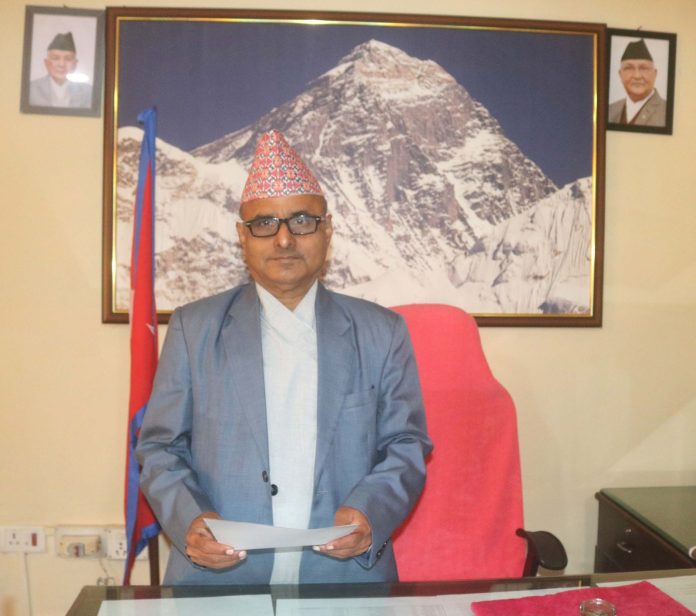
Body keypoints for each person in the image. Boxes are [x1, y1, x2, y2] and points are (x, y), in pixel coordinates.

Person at [136, 129, 432, 585]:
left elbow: (406, 444)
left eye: (302, 221)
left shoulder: (381, 332)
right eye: (264, 224)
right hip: (221, 578)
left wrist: (370, 512)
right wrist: (192, 520)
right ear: (243, 236)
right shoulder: (194, 329)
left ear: (327, 230)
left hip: (344, 578)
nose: (284, 239)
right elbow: (159, 447)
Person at [608, 38, 666, 127]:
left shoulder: (666, 111)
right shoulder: (610, 110)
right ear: (620, 74)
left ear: (655, 74)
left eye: (643, 68)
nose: (637, 76)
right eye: (629, 68)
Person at [29, 32, 92, 108]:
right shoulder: (31, 89)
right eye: (55, 58)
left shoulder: (89, 92)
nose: (61, 64)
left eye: (68, 59)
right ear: (46, 63)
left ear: (75, 64)